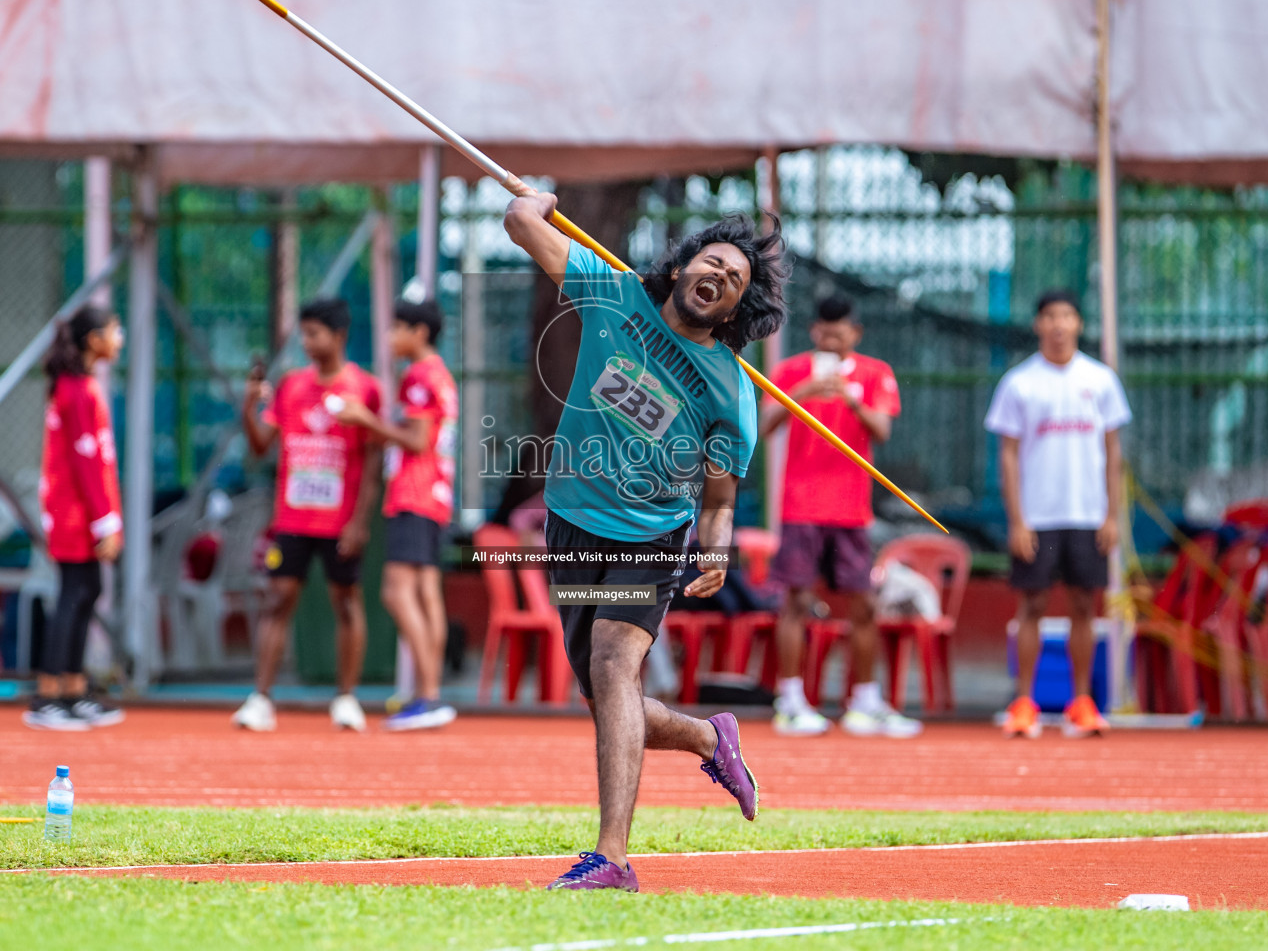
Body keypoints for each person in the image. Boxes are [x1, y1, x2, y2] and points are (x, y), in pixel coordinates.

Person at [504, 194, 785, 892]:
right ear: (685, 265)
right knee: (609, 701)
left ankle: (613, 859)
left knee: (612, 664)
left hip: (651, 536)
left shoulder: (728, 388)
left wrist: (716, 553)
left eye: (736, 281)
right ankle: (705, 737)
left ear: (732, 311)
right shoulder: (611, 291)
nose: (720, 275)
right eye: (712, 261)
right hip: (569, 523)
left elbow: (719, 500)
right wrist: (535, 203)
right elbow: (518, 224)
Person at [761, 295, 919, 738]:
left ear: (856, 333)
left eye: (841, 332)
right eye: (825, 332)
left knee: (864, 603)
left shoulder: (875, 373)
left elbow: (882, 430)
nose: (833, 339)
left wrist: (851, 402)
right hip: (801, 507)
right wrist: (806, 392)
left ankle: (864, 702)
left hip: (851, 510)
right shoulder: (792, 370)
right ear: (814, 333)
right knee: (795, 601)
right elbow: (765, 423)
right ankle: (790, 699)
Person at [984, 289, 1130, 739]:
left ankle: (1082, 703)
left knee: (1086, 605)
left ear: (1079, 324)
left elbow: (1112, 452)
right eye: (1050, 316)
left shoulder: (1101, 380)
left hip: (1087, 515)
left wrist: (1111, 516)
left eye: (1067, 316)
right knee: (1032, 605)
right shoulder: (1019, 382)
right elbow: (1007, 457)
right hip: (1038, 517)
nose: (1059, 325)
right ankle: (1024, 703)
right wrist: (1017, 520)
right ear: (1038, 325)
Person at [232, 299, 383, 733]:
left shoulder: (364, 388)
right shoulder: (291, 386)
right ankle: (260, 699)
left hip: (339, 522)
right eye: (304, 333)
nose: (306, 341)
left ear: (338, 336)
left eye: (314, 333)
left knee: (346, 603)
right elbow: (261, 447)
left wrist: (359, 520)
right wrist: (247, 408)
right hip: (293, 521)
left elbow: (373, 461)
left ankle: (346, 699)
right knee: (277, 601)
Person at [333, 297, 460, 732]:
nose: (389, 338)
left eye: (395, 328)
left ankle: (428, 695)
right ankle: (430, 693)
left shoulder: (419, 376)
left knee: (395, 592)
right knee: (426, 595)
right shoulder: (441, 374)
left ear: (418, 333)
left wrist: (364, 419)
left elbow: (417, 441)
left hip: (414, 493)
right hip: (436, 495)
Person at [24, 305, 126, 731]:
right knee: (72, 594)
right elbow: (85, 465)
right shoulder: (76, 391)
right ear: (92, 340)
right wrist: (105, 521)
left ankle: (73, 688)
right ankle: (48, 696)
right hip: (74, 514)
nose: (119, 338)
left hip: (80, 512)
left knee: (87, 590)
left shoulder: (79, 386)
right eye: (113, 330)